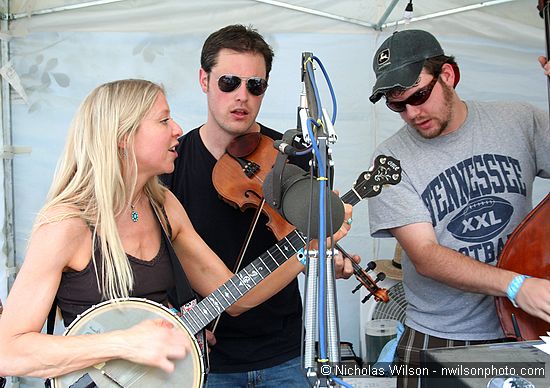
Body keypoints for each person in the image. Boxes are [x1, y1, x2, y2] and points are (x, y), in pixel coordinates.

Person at [0, 79, 352, 381]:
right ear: (123, 136)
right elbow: (8, 351)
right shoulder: (67, 225)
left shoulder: (164, 206)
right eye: (163, 120)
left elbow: (236, 297)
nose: (178, 129)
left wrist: (309, 248)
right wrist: (124, 343)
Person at [161, 24, 359, 387]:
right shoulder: (172, 165)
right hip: (207, 359)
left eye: (255, 86)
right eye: (228, 82)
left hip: (285, 353)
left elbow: (303, 243)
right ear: (204, 80)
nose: (242, 96)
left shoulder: (288, 157)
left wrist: (325, 261)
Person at [366, 29, 550, 387]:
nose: (412, 113)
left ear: (448, 75)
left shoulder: (521, 121)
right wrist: (516, 286)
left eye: (419, 96)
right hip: (440, 339)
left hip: (528, 327)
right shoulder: (389, 159)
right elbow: (425, 255)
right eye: (397, 105)